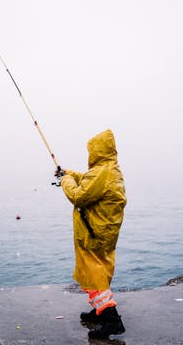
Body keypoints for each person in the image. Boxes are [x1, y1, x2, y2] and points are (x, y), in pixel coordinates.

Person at [60, 129, 127, 339]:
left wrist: (65, 181)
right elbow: (90, 182)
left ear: (97, 150)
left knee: (95, 275)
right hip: (104, 233)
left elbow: (79, 196)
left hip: (94, 234)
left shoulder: (102, 172)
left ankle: (112, 319)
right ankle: (100, 312)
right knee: (98, 271)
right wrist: (69, 173)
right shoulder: (109, 169)